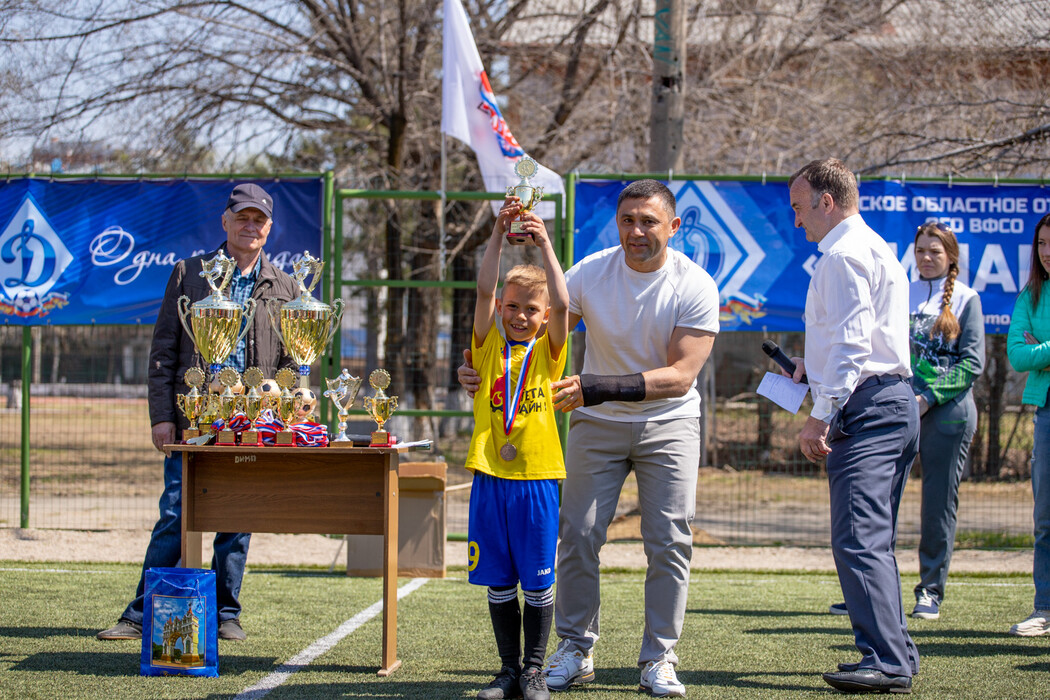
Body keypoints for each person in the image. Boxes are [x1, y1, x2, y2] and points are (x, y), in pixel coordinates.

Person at [460, 179, 719, 697]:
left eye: (649, 221)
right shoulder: (590, 273)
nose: (637, 231)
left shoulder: (696, 285)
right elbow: (537, 328)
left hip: (667, 421)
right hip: (597, 423)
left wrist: (596, 386)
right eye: (628, 221)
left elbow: (681, 376)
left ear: (673, 226)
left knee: (669, 541)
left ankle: (659, 658)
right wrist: (484, 370)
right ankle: (575, 650)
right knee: (577, 535)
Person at [97, 183, 298, 642]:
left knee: (237, 520)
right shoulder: (189, 274)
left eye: (259, 220)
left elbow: (292, 363)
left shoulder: (286, 287)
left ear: (269, 228)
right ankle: (141, 615)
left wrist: (282, 416)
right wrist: (162, 416)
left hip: (253, 425)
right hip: (194, 422)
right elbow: (164, 350)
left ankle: (225, 613)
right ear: (224, 221)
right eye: (242, 217)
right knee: (175, 513)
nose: (250, 226)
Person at [784, 159, 919, 694]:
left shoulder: (842, 256)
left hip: (868, 409)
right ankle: (897, 653)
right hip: (890, 402)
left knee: (859, 540)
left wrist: (820, 415)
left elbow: (854, 345)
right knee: (873, 539)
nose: (797, 220)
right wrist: (811, 369)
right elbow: (859, 341)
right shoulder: (873, 247)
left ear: (827, 201)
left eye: (800, 207)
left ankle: (885, 661)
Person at [828, 222, 985, 622]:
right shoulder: (902, 290)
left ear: (951, 257)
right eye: (920, 251)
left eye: (935, 251)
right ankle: (872, 591)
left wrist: (928, 399)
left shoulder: (967, 299)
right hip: (897, 408)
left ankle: (930, 590)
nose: (926, 257)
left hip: (947, 414)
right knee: (879, 503)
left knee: (937, 505)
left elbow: (972, 363)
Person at [467, 197, 569, 700]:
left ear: (543, 316)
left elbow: (565, 305)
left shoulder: (549, 353)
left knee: (538, 581)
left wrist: (545, 243)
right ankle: (508, 671)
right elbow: (485, 288)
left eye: (531, 310)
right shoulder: (487, 346)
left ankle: (534, 671)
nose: (520, 316)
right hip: (490, 474)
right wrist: (496, 232)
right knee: (499, 580)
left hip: (537, 477)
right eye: (512, 307)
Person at [1005, 211, 1050, 637]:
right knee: (1046, 519)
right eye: (1041, 243)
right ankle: (1045, 609)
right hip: (1046, 410)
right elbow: (1018, 356)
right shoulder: (1030, 297)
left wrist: (1044, 350)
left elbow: (1033, 352)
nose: (1047, 251)